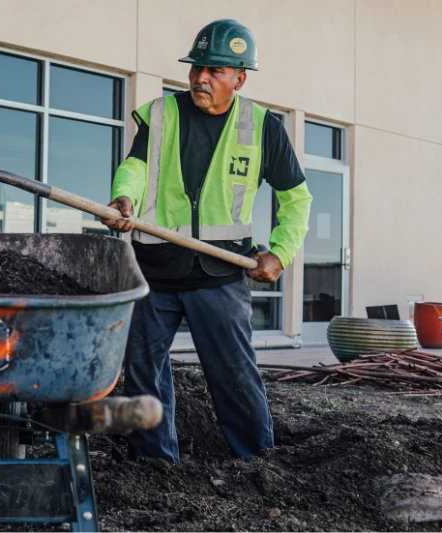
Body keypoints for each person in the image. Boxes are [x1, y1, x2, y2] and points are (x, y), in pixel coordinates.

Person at [102, 19, 313, 462]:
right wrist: (124, 198)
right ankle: (154, 463)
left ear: (240, 78)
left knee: (233, 375)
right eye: (198, 67)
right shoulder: (162, 114)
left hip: (220, 273)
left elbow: (296, 198)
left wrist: (281, 252)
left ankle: (258, 462)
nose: (201, 77)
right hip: (155, 269)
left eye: (216, 70)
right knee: (144, 375)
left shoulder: (261, 127)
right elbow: (136, 167)